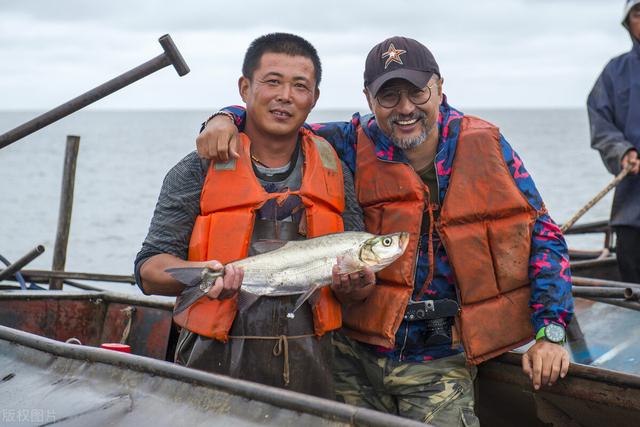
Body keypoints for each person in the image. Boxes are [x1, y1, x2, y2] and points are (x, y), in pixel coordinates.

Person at [198, 36, 574, 425]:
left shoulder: (487, 146)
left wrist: (551, 332)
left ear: (439, 87)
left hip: (441, 357)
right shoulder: (345, 142)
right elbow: (280, 122)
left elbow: (543, 236)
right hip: (353, 352)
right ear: (368, 99)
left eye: (417, 92)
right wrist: (226, 117)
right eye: (389, 97)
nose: (406, 108)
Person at [135, 33, 372, 399]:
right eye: (272, 81)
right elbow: (149, 270)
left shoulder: (336, 171)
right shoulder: (197, 170)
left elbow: (359, 290)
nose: (285, 96)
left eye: (300, 86)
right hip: (212, 363)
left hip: (316, 368)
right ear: (245, 88)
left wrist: (357, 286)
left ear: (314, 99)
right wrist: (206, 277)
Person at [588, 0, 640, 283]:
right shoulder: (615, 72)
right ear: (628, 22)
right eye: (638, 13)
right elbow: (600, 120)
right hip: (632, 207)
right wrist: (623, 152)